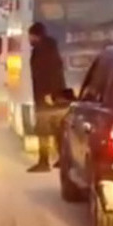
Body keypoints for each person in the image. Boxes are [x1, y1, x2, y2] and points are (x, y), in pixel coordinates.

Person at [27, 22, 67, 172]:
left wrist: (47, 94)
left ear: (35, 35)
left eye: (30, 36)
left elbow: (45, 74)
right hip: (55, 95)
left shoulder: (41, 51)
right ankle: (63, 159)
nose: (29, 39)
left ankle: (43, 162)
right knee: (57, 129)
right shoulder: (51, 48)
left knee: (42, 129)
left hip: (46, 96)